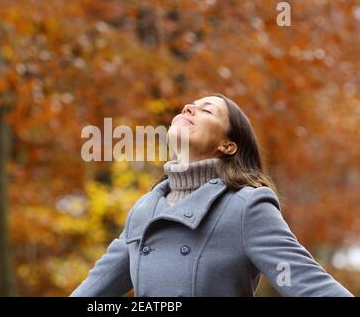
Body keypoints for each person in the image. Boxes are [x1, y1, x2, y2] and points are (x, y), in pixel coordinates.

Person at [70, 94, 353, 297]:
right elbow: (93, 291)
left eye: (206, 111)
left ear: (227, 145)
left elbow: (310, 284)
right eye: (190, 106)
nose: (188, 108)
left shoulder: (246, 207)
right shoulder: (144, 211)